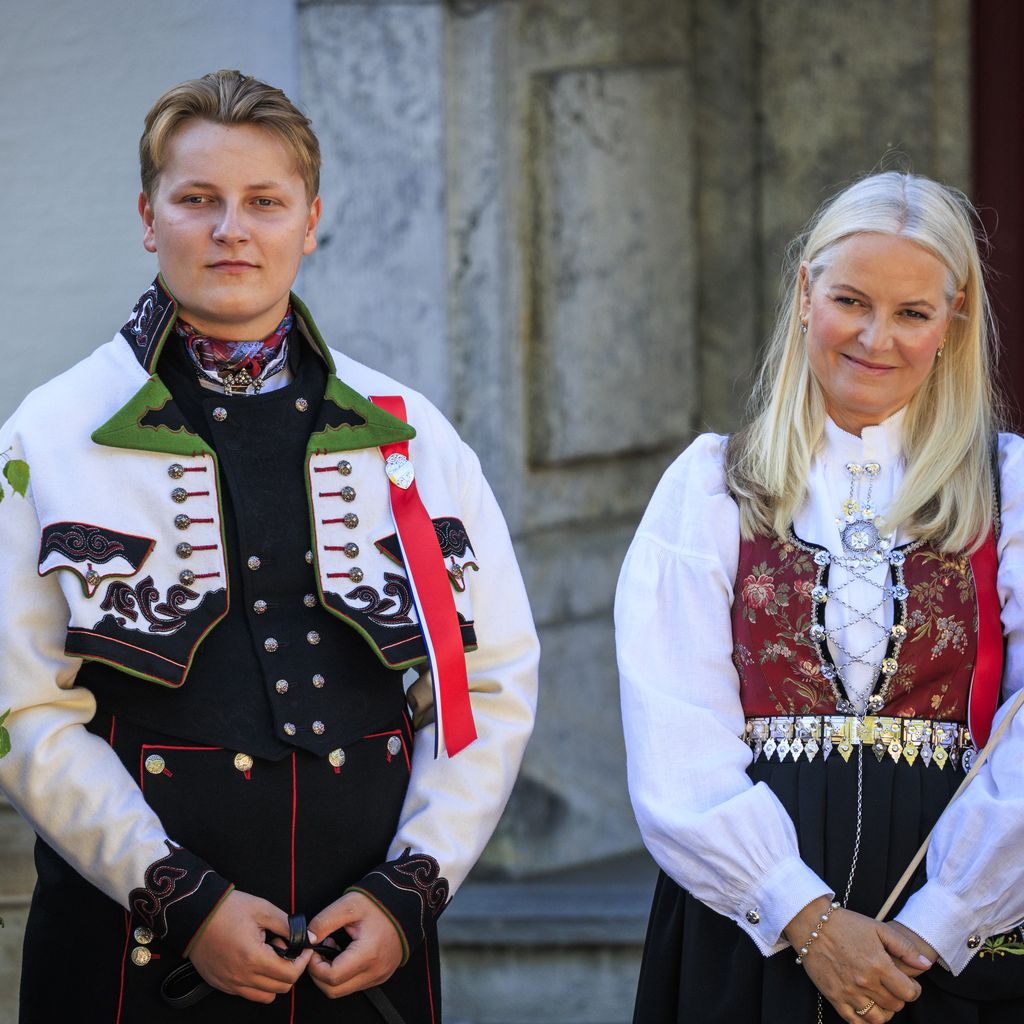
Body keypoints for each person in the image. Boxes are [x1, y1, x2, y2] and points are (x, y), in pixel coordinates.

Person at [0, 69, 538, 1023]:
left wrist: (414, 886)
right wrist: (180, 900)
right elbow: (22, 708)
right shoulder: (48, 436)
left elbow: (484, 684)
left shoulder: (412, 435)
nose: (230, 230)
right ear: (148, 213)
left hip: (366, 957)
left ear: (311, 220)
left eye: (263, 202)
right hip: (130, 963)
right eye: (197, 199)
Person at [616, 171, 1024, 1023]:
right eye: (851, 300)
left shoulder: (1009, 487)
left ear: (951, 322)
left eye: (913, 312)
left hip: (955, 925)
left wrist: (943, 919)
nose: (877, 338)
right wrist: (799, 913)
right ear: (805, 294)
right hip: (745, 922)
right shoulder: (711, 487)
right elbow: (675, 735)